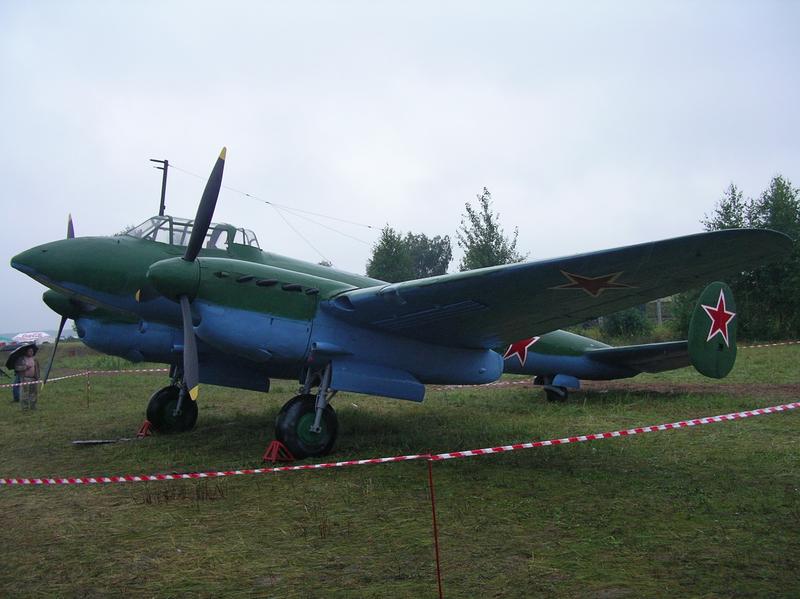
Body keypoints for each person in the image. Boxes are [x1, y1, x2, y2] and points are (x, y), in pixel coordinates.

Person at [14, 346, 40, 410]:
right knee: (24, 393)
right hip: (25, 378)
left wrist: (38, 376)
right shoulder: (21, 359)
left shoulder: (34, 359)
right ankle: (25, 407)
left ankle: (33, 406)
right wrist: (25, 367)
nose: (32, 352)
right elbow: (17, 368)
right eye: (30, 351)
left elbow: (37, 368)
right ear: (26, 352)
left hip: (33, 378)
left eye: (32, 351)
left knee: (33, 393)